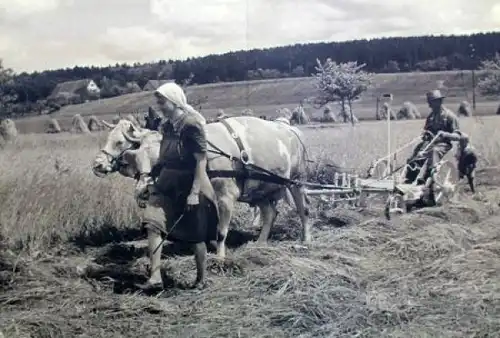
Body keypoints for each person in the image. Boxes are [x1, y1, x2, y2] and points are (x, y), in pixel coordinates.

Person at [136, 82, 219, 290]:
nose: (159, 106)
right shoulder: (166, 126)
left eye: (162, 102)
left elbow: (201, 160)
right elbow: (164, 157)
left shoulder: (192, 125)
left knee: (196, 235)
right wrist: (149, 178)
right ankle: (155, 277)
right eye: (158, 102)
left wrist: (194, 192)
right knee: (153, 225)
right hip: (166, 183)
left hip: (189, 183)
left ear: (174, 101)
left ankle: (201, 279)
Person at [405, 89, 462, 187]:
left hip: (443, 144)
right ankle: (409, 180)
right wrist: (425, 135)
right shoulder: (430, 117)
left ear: (439, 102)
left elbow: (457, 136)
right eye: (429, 102)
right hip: (430, 143)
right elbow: (426, 131)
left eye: (431, 102)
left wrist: (445, 134)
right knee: (417, 153)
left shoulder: (450, 116)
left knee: (434, 151)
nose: (429, 105)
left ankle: (428, 178)